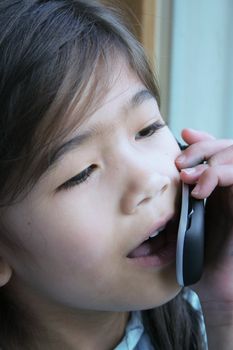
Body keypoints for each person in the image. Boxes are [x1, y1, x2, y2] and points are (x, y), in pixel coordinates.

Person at [0, 1, 232, 349]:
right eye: (81, 173)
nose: (149, 180)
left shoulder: (201, 323)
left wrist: (225, 315)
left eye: (148, 129)